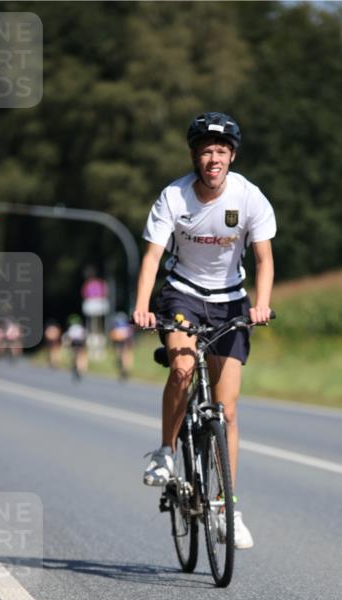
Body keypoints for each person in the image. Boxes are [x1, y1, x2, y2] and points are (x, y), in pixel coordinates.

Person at [132, 112, 276, 550]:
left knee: (227, 410)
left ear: (231, 156)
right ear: (195, 157)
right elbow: (153, 258)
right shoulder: (174, 197)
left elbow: (265, 259)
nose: (214, 159)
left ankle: (224, 506)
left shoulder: (249, 197)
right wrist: (142, 306)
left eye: (221, 151)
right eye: (206, 151)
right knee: (180, 369)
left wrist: (261, 303)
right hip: (183, 295)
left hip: (231, 299)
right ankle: (166, 452)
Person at [108, 311, 135, 380]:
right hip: (125, 340)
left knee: (119, 353)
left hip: (119, 340)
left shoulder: (116, 325)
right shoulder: (126, 325)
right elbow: (130, 335)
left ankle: (122, 366)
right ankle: (125, 367)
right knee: (126, 354)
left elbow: (112, 336)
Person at [63, 313, 87, 379]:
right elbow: (84, 336)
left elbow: (69, 337)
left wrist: (67, 345)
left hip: (74, 342)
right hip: (80, 342)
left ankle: (74, 365)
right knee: (80, 356)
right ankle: (80, 368)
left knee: (74, 355)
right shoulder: (81, 327)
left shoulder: (71, 328)